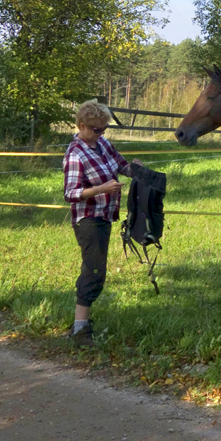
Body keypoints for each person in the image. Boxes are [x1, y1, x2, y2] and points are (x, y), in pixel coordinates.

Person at [63, 100, 128, 348]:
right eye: (97, 129)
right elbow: (70, 193)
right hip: (88, 220)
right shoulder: (75, 154)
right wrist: (101, 189)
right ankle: (80, 328)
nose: (101, 133)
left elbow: (120, 163)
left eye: (104, 129)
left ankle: (81, 325)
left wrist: (134, 169)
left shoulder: (102, 144)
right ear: (82, 126)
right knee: (93, 270)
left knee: (97, 268)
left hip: (105, 216)